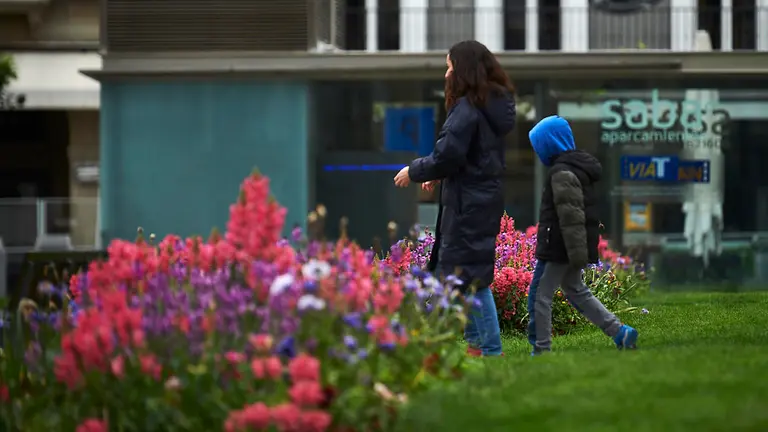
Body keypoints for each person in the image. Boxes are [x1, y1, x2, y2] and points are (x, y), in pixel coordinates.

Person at [393, 40, 516, 357]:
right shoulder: (488, 105)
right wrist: (440, 173)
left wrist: (415, 170)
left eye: (449, 67)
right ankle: (476, 346)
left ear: (461, 70)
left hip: (468, 203)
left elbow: (448, 153)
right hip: (478, 198)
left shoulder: (468, 109)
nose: (446, 74)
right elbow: (469, 157)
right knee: (464, 275)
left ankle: (490, 350)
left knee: (471, 279)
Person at [527, 115, 638, 356]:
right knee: (576, 290)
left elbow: (571, 218)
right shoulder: (574, 168)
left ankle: (540, 351)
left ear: (550, 144)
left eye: (539, 147)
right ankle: (620, 332)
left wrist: (575, 255)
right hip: (566, 247)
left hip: (558, 248)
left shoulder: (562, 172)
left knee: (539, 296)